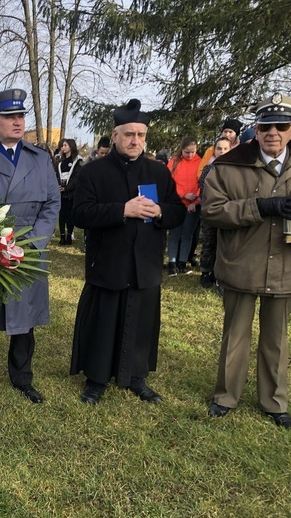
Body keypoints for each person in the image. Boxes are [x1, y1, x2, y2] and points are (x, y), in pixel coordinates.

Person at [202, 93, 291, 429]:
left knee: (276, 337)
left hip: (289, 265)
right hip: (242, 263)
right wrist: (260, 207)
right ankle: (226, 396)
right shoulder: (229, 165)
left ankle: (274, 401)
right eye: (266, 126)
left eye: (281, 126)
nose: (273, 133)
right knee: (235, 333)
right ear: (257, 129)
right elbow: (212, 210)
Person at [70, 98, 185, 405]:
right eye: (129, 134)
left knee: (141, 320)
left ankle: (135, 376)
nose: (135, 140)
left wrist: (159, 211)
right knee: (105, 323)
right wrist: (122, 209)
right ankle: (96, 379)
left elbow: (178, 213)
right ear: (116, 135)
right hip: (108, 260)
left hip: (145, 261)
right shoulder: (94, 172)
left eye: (141, 135)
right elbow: (80, 214)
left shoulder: (158, 173)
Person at [0, 88, 60, 409]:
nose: (17, 122)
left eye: (20, 116)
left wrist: (34, 244)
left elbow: (51, 203)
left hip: (27, 253)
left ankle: (22, 378)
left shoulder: (40, 159)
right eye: (9, 117)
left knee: (24, 320)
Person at [197, 136, 232, 289]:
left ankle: (218, 275)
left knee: (223, 243)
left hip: (227, 212)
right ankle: (205, 272)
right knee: (209, 242)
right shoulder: (208, 168)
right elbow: (204, 188)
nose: (222, 151)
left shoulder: (235, 169)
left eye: (225, 149)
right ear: (214, 150)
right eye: (219, 148)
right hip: (210, 210)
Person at [166, 136, 202, 275]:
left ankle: (182, 262)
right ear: (181, 150)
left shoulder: (200, 162)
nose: (190, 155)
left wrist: (195, 201)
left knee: (187, 234)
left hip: (194, 205)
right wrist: (183, 194)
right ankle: (172, 263)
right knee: (174, 234)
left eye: (193, 152)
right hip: (177, 203)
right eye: (187, 152)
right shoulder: (174, 162)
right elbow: (169, 183)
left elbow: (203, 182)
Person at [56, 138, 83, 245]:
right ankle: (62, 237)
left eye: (65, 145)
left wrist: (67, 188)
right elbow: (57, 175)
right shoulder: (60, 161)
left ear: (71, 147)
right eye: (62, 146)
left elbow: (77, 178)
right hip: (61, 194)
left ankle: (69, 236)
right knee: (62, 215)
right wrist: (58, 186)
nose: (63, 148)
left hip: (71, 194)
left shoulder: (77, 161)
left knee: (70, 215)